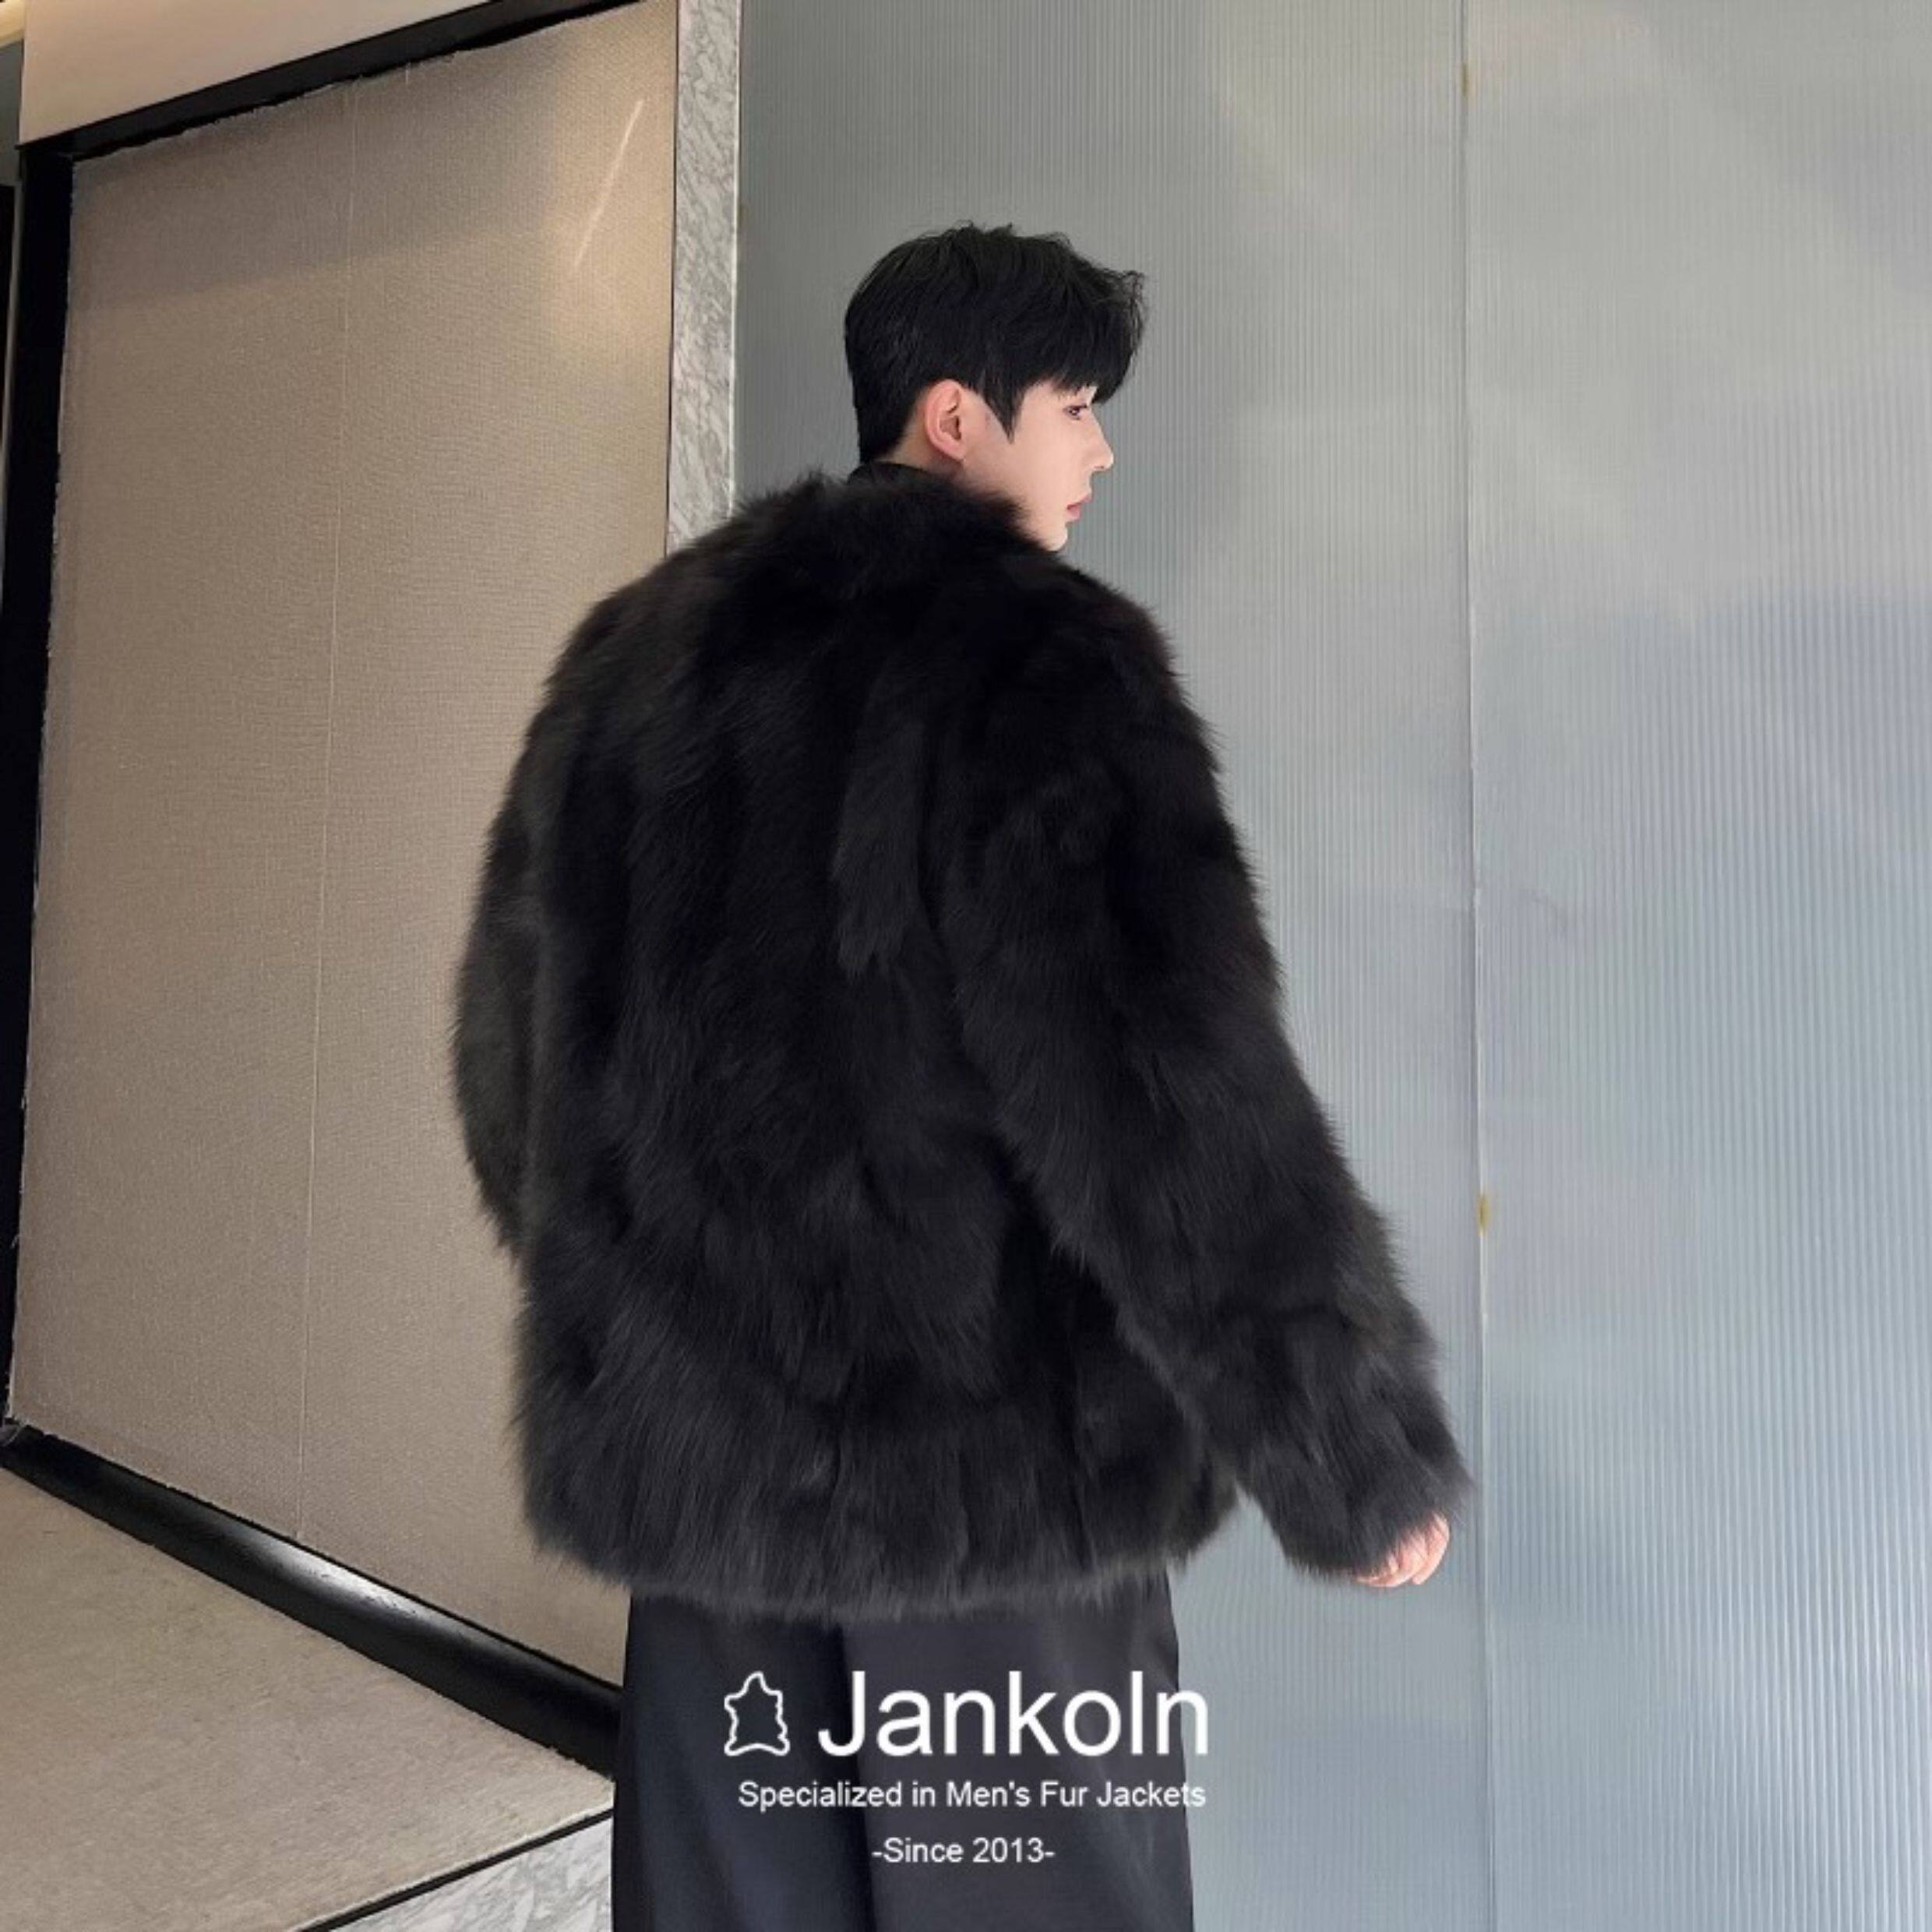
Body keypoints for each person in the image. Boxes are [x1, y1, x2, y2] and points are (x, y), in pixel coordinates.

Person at [450, 220, 1471, 1930]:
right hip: (992, 1500)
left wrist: (662, 1323)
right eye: (1074, 405)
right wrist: (1342, 1449)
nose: (1100, 452)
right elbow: (1168, 1092)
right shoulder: (1040, 660)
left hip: (709, 1500)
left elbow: (510, 1056)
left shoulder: (636, 658)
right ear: (952, 412)